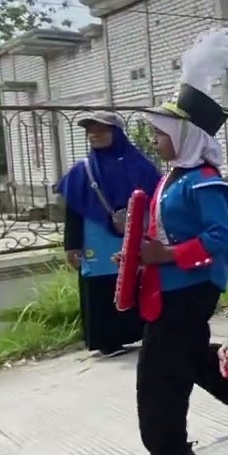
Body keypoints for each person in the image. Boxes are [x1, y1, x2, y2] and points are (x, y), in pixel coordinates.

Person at [116, 29, 228, 455]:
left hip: (189, 288)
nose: (155, 139)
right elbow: (165, 230)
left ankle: (171, 454)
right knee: (187, 359)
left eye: (163, 133)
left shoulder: (205, 182)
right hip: (167, 287)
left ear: (185, 135)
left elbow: (223, 238)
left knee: (158, 372)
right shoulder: (175, 178)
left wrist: (166, 255)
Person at [57, 111, 160, 357]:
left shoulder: (140, 165)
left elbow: (156, 201)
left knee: (135, 280)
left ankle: (141, 333)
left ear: (117, 132)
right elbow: (73, 208)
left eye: (101, 130)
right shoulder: (83, 170)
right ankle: (107, 341)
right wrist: (71, 245)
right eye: (90, 131)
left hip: (134, 235)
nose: (94, 135)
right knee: (101, 286)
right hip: (95, 240)